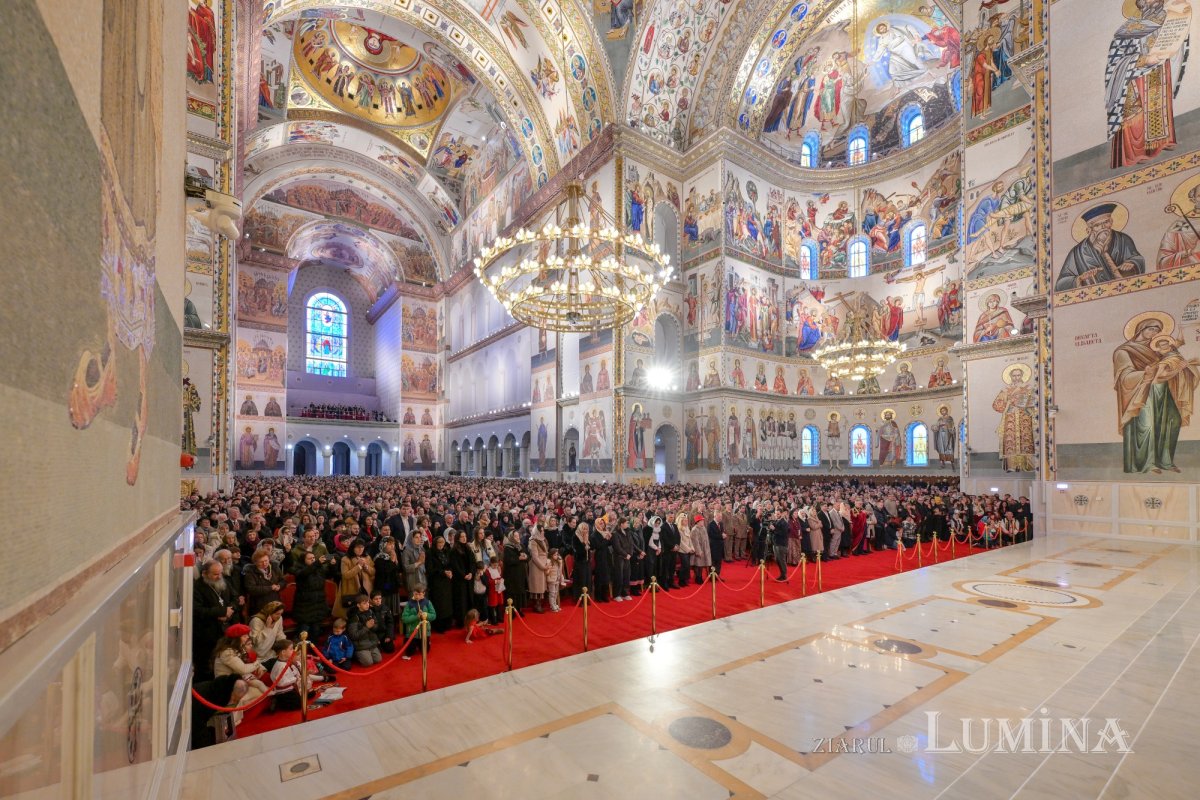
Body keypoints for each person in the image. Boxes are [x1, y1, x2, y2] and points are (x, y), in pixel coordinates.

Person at [337, 539, 375, 618]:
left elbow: (373, 572)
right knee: (353, 614)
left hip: (366, 589)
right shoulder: (345, 559)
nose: (360, 549)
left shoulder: (367, 557)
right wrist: (359, 566)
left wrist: (366, 567)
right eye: (358, 547)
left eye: (362, 547)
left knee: (367, 613)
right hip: (352, 589)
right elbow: (345, 575)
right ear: (353, 548)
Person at [347, 594, 383, 667]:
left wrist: (373, 626)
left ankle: (368, 652)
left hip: (371, 643)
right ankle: (356, 655)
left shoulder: (370, 612)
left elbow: (376, 626)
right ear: (358, 605)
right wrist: (366, 627)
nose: (367, 605)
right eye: (364, 603)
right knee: (368, 663)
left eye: (368, 603)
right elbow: (353, 635)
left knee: (378, 660)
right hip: (361, 646)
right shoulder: (354, 617)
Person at [401, 586, 437, 658]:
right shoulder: (409, 604)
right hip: (412, 633)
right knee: (409, 652)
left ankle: (425, 642)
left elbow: (434, 615)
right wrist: (416, 617)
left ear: (424, 594)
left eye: (419, 594)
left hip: (424, 633)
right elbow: (404, 619)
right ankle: (409, 642)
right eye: (415, 594)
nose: (417, 596)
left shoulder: (428, 603)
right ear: (413, 593)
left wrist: (426, 615)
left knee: (425, 651)